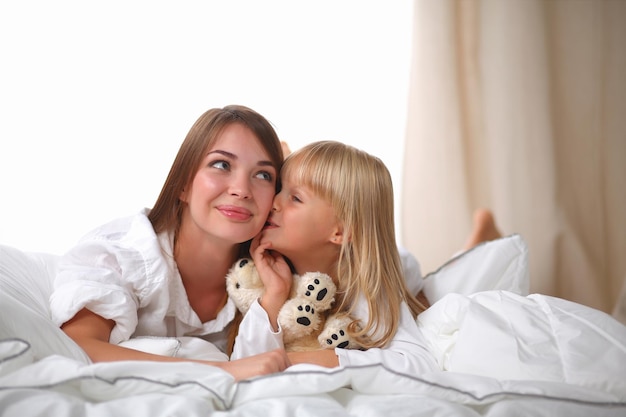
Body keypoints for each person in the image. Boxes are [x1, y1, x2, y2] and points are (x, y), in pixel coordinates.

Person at [49, 105, 290, 381]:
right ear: (183, 184)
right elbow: (79, 347)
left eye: (263, 175)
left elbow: (338, 355)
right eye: (221, 165)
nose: (242, 190)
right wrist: (221, 371)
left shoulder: (269, 272)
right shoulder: (125, 254)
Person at [230, 140, 438, 374]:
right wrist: (275, 294)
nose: (274, 203)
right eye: (279, 189)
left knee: (424, 280)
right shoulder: (259, 272)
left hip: (401, 265)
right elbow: (242, 368)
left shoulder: (362, 285)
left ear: (341, 231)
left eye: (295, 198)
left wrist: (296, 359)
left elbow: (418, 363)